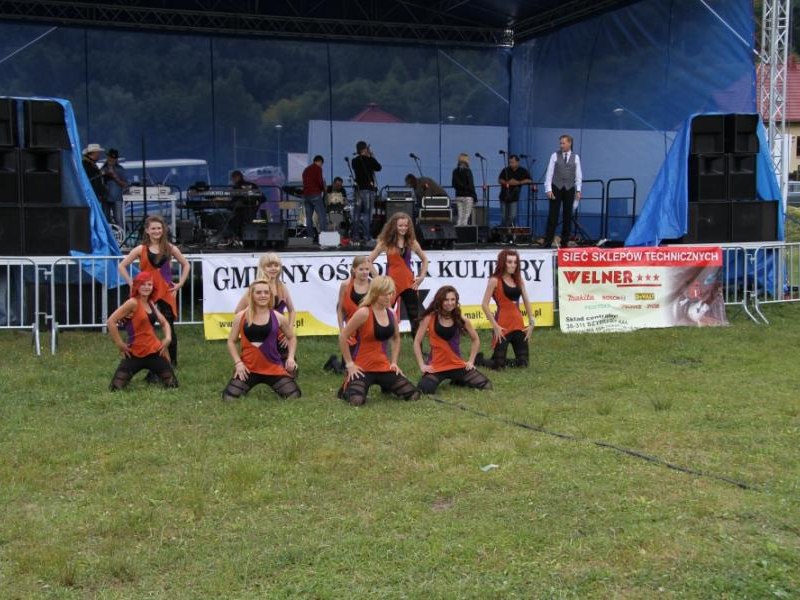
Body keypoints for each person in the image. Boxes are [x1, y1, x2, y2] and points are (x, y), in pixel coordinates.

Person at [118, 215, 190, 366]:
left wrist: (180, 283)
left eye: (159, 228)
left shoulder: (170, 248)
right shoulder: (140, 249)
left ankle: (172, 363)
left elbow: (186, 264)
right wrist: (131, 283)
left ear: (163, 230)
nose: (157, 231)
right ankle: (142, 359)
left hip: (165, 292)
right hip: (146, 291)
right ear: (147, 230)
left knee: (168, 326)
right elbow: (122, 266)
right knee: (141, 325)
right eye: (153, 228)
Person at [338, 276, 420, 406]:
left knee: (413, 394)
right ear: (375, 293)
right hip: (362, 367)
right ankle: (346, 387)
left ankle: (385, 385)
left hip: (383, 366)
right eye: (384, 294)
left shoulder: (391, 313)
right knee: (357, 401)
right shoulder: (364, 312)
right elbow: (343, 336)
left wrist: (394, 362)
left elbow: (396, 338)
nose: (389, 297)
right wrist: (350, 364)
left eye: (391, 293)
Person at [222, 279, 301, 401]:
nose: (263, 295)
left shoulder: (278, 317)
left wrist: (290, 358)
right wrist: (238, 363)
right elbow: (231, 341)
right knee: (229, 398)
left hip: (273, 368)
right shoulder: (240, 316)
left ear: (270, 295)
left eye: (266, 292)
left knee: (294, 395)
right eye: (258, 292)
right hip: (248, 368)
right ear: (251, 295)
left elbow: (291, 338)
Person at [413, 285, 492, 395]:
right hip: (436, 366)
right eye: (446, 300)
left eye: (452, 299)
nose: (450, 303)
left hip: (457, 365)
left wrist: (471, 361)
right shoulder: (429, 318)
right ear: (440, 301)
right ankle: (457, 380)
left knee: (486, 385)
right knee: (424, 389)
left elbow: (476, 339)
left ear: (456, 301)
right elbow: (417, 342)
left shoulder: (461, 319)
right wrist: (422, 365)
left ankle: (457, 380)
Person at [106, 271, 178, 391]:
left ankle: (154, 375)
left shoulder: (151, 303)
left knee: (172, 385)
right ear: (137, 286)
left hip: (154, 350)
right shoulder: (132, 302)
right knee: (115, 388)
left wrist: (168, 338)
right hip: (134, 352)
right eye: (143, 284)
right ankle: (152, 376)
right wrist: (120, 344)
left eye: (149, 284)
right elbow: (111, 321)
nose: (146, 287)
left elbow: (164, 323)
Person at [367, 212, 429, 338]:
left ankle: (418, 347)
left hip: (409, 284)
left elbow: (425, 259)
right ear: (394, 226)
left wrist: (422, 276)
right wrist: (378, 278)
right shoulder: (385, 242)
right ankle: (384, 346)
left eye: (406, 226)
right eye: (400, 225)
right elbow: (369, 260)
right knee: (386, 315)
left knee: (415, 319)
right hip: (391, 285)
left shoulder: (411, 242)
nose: (403, 228)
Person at [234, 253, 296, 366]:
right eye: (269, 265)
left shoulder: (282, 287)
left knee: (288, 369)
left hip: (281, 336)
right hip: (263, 335)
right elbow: (238, 311)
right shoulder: (256, 287)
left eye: (276, 265)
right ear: (262, 267)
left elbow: (292, 310)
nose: (273, 268)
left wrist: (289, 331)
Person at [478, 249, 535, 369]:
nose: (513, 265)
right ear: (502, 262)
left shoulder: (518, 280)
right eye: (509, 262)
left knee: (523, 364)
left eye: (515, 262)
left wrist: (531, 323)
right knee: (498, 366)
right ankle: (480, 360)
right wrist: (495, 326)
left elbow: (526, 300)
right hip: (502, 326)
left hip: (518, 324)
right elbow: (484, 304)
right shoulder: (494, 280)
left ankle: (501, 360)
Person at [324, 255, 371, 374]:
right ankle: (333, 361)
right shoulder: (346, 285)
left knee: (365, 366)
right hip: (351, 330)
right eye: (361, 269)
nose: (364, 272)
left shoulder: (373, 285)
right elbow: (340, 309)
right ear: (354, 269)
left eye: (367, 269)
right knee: (345, 369)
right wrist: (342, 330)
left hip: (367, 329)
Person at [543, 134, 583, 248]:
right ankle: (548, 241)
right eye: (560, 143)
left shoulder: (576, 157)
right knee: (553, 215)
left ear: (569, 143)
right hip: (556, 187)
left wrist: (578, 190)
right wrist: (548, 189)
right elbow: (549, 173)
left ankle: (564, 242)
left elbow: (578, 175)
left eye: (563, 143)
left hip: (569, 188)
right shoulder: (554, 155)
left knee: (567, 215)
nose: (561, 145)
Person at [350, 141, 382, 245]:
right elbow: (379, 167)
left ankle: (355, 237)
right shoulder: (369, 160)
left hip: (358, 190)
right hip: (368, 190)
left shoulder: (354, 161)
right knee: (367, 214)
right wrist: (371, 156)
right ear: (365, 149)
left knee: (356, 213)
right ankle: (366, 237)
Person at [497, 155, 533, 227]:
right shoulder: (506, 170)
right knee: (504, 216)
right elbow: (500, 180)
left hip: (514, 197)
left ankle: (508, 229)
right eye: (510, 162)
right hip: (504, 196)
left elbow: (529, 180)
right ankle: (504, 230)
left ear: (517, 162)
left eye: (512, 162)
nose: (511, 164)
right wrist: (507, 183)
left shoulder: (522, 170)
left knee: (512, 216)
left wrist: (518, 182)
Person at [302, 155, 327, 242]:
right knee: (322, 216)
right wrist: (324, 189)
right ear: (320, 162)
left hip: (306, 195)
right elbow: (319, 181)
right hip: (315, 194)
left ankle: (310, 238)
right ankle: (324, 237)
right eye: (321, 164)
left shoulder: (306, 170)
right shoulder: (318, 168)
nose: (321, 165)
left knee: (309, 218)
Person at [101, 148, 128, 226]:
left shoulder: (120, 169)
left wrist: (114, 176)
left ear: (116, 159)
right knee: (105, 219)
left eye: (113, 158)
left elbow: (125, 184)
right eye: (110, 157)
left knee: (118, 219)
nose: (111, 160)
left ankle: (121, 233)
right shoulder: (103, 169)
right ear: (107, 157)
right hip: (105, 198)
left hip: (117, 198)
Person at [82, 143, 108, 217]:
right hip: (91, 195)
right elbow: (89, 178)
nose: (99, 155)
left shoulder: (92, 164)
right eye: (98, 153)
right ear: (94, 153)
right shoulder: (86, 164)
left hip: (95, 194)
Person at [451, 153, 478, 226]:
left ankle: (458, 231)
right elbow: (471, 185)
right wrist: (475, 197)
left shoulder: (455, 171)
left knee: (460, 217)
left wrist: (460, 188)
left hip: (458, 196)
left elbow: (453, 184)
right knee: (466, 217)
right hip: (468, 196)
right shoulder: (468, 171)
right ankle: (464, 231)